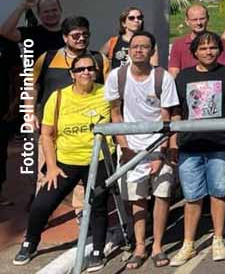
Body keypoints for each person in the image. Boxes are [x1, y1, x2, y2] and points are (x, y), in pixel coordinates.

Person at [14, 54, 113, 271]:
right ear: (72, 74)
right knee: (42, 203)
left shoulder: (106, 94)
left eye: (90, 68)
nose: (85, 72)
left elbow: (118, 119)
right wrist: (51, 166)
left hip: (98, 159)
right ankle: (30, 242)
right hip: (65, 160)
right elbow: (47, 135)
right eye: (80, 69)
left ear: (96, 71)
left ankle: (97, 248)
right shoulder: (58, 97)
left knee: (97, 202)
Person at [104, 31, 179, 270]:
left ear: (152, 50)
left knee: (162, 196)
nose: (138, 50)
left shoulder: (163, 77)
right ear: (129, 50)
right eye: (135, 46)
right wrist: (124, 147)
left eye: (144, 46)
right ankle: (139, 246)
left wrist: (163, 150)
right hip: (130, 147)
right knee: (136, 200)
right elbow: (115, 113)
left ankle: (157, 245)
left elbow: (167, 116)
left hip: (158, 145)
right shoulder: (117, 76)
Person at [170, 32, 225, 266]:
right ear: (194, 53)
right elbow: (177, 113)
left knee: (219, 192)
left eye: (213, 48)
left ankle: (218, 238)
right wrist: (173, 143)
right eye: (203, 49)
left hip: (220, 144)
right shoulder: (183, 77)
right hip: (189, 145)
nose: (208, 52)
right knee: (191, 197)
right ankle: (188, 243)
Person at [168, 4, 225, 77]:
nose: (199, 23)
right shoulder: (179, 44)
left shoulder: (218, 42)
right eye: (194, 20)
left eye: (202, 19)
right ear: (187, 21)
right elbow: (174, 71)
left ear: (207, 19)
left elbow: (223, 69)